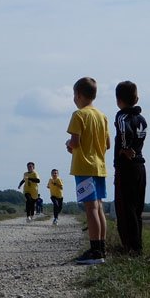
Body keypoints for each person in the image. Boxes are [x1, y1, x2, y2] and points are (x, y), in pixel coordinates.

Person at [66, 77, 110, 265]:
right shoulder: (102, 116)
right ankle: (101, 248)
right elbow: (107, 144)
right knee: (99, 207)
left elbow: (75, 142)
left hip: (84, 166)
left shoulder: (79, 115)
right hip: (99, 167)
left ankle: (94, 252)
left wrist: (69, 144)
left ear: (78, 95)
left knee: (90, 208)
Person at [112, 81, 147, 255]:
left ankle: (129, 247)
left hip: (126, 167)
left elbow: (124, 130)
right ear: (137, 98)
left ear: (118, 100)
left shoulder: (121, 116)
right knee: (136, 209)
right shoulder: (141, 118)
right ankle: (137, 246)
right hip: (141, 165)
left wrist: (125, 148)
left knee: (124, 209)